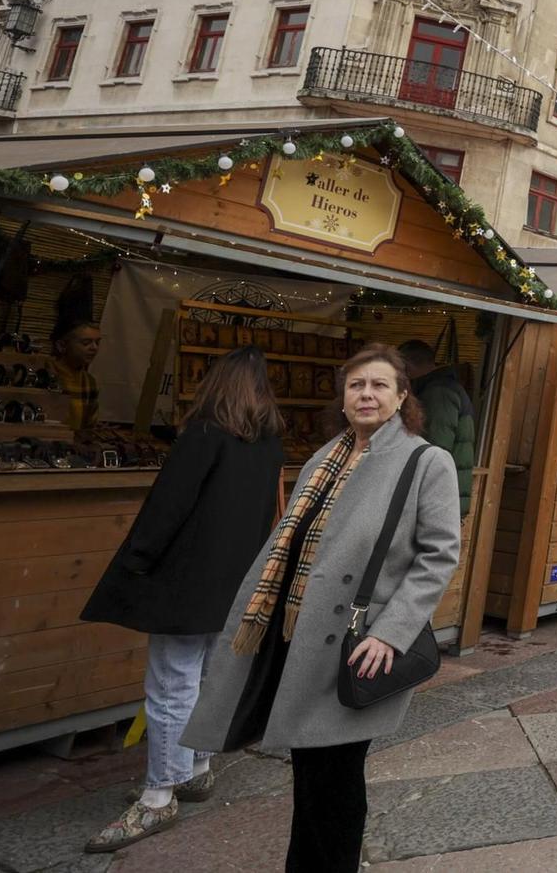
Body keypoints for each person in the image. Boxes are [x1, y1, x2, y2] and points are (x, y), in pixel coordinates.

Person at [181, 345, 460, 873]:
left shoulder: (427, 462)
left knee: (334, 777)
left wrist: (392, 632)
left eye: (380, 385)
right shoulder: (324, 457)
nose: (367, 395)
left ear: (403, 397)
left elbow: (439, 555)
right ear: (344, 397)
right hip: (297, 632)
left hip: (359, 641)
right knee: (312, 774)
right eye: (357, 385)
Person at [82, 347, 286, 853]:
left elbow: (167, 505)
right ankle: (196, 768)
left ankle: (158, 795)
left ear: (216, 382)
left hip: (184, 581)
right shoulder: (269, 441)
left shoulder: (204, 432)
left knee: (171, 683)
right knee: (208, 677)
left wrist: (137, 559)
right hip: (233, 582)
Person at [397, 341, 476, 517]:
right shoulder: (443, 387)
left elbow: (435, 449)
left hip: (435, 501)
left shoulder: (438, 393)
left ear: (406, 366)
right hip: (441, 498)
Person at [50, 318, 103, 437]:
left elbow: (89, 426)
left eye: (97, 342)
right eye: (86, 343)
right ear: (61, 345)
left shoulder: (89, 382)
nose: (94, 348)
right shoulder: (47, 374)